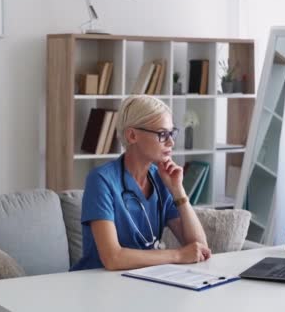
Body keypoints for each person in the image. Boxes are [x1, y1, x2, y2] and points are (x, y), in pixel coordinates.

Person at [71, 95, 211, 271]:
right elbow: (113, 258)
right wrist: (178, 255)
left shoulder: (162, 180)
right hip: (100, 283)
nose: (171, 142)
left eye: (172, 133)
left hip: (145, 281)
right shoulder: (101, 180)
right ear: (132, 135)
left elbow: (199, 247)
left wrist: (178, 190)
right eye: (162, 134)